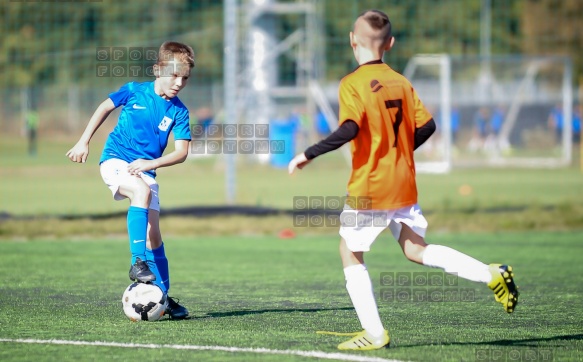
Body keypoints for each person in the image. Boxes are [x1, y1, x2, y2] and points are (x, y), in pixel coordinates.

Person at [288, 10, 519, 351]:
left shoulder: (352, 83)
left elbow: (350, 128)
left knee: (350, 252)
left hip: (370, 187)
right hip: (403, 183)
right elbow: (427, 126)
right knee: (415, 249)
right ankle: (491, 274)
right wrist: (399, 152)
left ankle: (374, 332)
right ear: (390, 44)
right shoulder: (400, 81)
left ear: (353, 40)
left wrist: (308, 153)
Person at [66, 41, 195, 320]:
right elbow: (104, 107)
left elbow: (182, 152)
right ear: (157, 69)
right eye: (174, 75)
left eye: (185, 77)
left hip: (145, 169)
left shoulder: (179, 111)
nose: (179, 83)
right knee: (139, 192)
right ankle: (137, 263)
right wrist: (83, 141)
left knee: (154, 235)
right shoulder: (135, 90)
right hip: (115, 159)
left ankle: (161, 295)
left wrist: (151, 164)